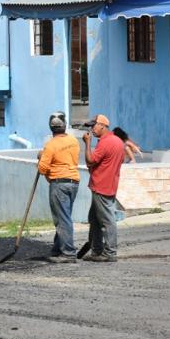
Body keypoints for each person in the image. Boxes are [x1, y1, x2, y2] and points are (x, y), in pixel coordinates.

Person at [37, 112, 80, 263]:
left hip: (59, 184)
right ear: (64, 125)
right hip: (73, 182)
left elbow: (42, 169)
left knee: (62, 219)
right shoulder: (73, 141)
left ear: (51, 127)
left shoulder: (51, 145)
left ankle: (68, 253)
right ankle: (57, 249)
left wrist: (41, 157)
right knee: (64, 216)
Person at [82, 114, 124, 263]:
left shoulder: (105, 143)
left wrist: (87, 143)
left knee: (107, 220)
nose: (91, 129)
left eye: (93, 126)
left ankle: (110, 252)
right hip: (109, 184)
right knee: (94, 219)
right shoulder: (118, 141)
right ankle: (96, 250)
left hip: (101, 186)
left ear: (102, 126)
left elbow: (90, 160)